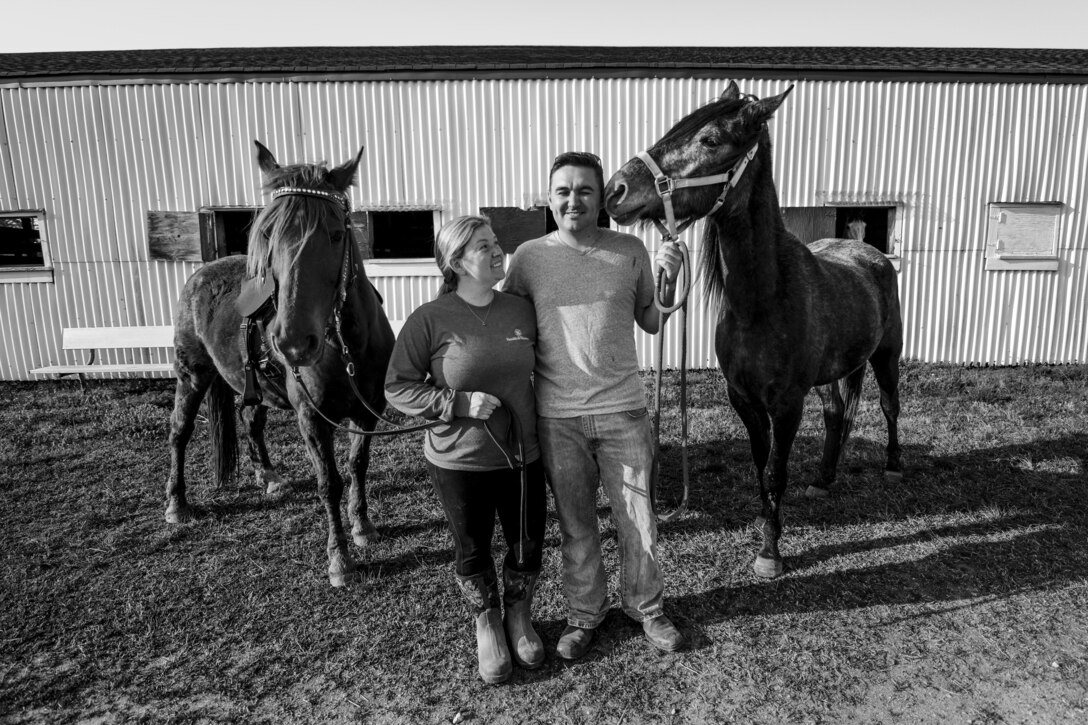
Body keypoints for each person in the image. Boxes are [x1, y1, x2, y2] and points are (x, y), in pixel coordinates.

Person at [503, 151, 686, 659]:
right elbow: (509, 322)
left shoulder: (629, 251)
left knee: (638, 519)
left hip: (623, 410)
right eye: (563, 190)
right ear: (549, 197)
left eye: (584, 190)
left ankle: (646, 608)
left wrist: (669, 277)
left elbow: (652, 319)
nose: (573, 200)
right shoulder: (528, 258)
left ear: (601, 198)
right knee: (576, 525)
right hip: (557, 417)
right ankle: (585, 615)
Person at [385, 215, 547, 684]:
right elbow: (398, 387)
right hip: (458, 460)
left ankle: (519, 615)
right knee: (472, 548)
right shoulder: (429, 320)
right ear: (455, 262)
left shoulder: (521, 310)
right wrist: (455, 402)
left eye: (497, 243)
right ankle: (487, 622)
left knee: (527, 541)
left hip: (522, 455)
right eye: (483, 246)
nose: (498, 251)